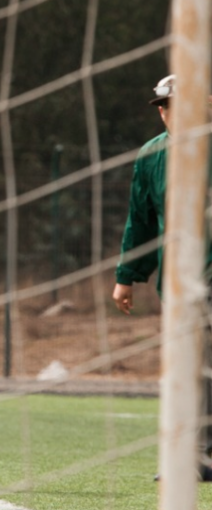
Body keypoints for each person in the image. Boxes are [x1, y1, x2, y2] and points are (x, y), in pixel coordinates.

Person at [112, 74, 212, 481]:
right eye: (163, 106)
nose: (169, 113)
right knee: (189, 364)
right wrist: (127, 275)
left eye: (177, 104)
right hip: (179, 278)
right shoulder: (151, 155)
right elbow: (142, 220)